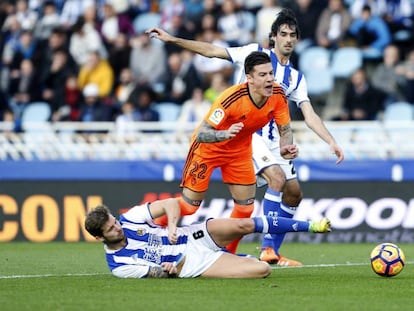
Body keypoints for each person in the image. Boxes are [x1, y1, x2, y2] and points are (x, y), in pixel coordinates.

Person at [146, 8, 344, 266]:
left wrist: (330, 140)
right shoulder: (252, 55)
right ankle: (267, 249)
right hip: (246, 135)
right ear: (273, 37)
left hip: (273, 142)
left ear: (297, 39)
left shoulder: (295, 78)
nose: (287, 39)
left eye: (292, 35)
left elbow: (308, 114)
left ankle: (257, 250)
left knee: (293, 193)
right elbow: (211, 50)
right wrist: (173, 40)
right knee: (277, 178)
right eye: (282, 34)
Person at [152, 51, 298, 255]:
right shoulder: (231, 98)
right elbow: (202, 133)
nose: (269, 79)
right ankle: (148, 227)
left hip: (239, 152)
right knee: (189, 207)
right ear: (249, 78)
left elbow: (285, 130)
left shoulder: (277, 94)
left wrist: (285, 147)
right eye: (263, 75)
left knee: (246, 209)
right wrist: (225, 134)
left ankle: (226, 254)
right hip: (207, 150)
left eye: (271, 74)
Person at [84, 197, 331, 279]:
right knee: (262, 269)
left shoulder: (131, 219)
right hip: (191, 263)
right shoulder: (120, 267)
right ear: (99, 238)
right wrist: (168, 269)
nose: (118, 227)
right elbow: (157, 273)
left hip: (193, 236)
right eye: (111, 229)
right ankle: (234, 259)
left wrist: (171, 225)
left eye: (114, 221)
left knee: (244, 223)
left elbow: (170, 203)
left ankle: (311, 225)